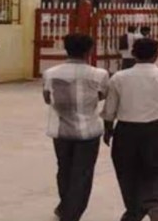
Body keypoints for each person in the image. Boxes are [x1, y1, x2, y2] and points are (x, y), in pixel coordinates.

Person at [102, 38, 158, 221]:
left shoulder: (119, 77)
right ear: (156, 55)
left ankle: (133, 211)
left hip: (126, 131)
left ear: (133, 54)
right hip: (155, 131)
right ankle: (154, 203)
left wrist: (108, 129)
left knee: (127, 172)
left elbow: (110, 109)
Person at [42, 33, 110, 221]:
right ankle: (71, 214)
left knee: (64, 169)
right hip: (88, 131)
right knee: (83, 173)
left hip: (61, 131)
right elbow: (103, 95)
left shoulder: (50, 73)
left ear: (66, 49)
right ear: (89, 50)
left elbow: (47, 99)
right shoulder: (99, 74)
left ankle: (65, 206)